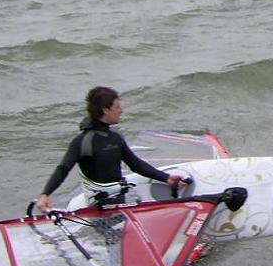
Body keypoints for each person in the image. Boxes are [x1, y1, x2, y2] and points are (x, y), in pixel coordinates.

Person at [34, 86, 186, 213]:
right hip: (98, 209)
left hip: (120, 203)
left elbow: (135, 164)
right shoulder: (83, 142)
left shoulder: (115, 136)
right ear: (106, 110)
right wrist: (45, 194)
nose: (121, 111)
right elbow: (63, 168)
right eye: (117, 107)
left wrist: (166, 178)